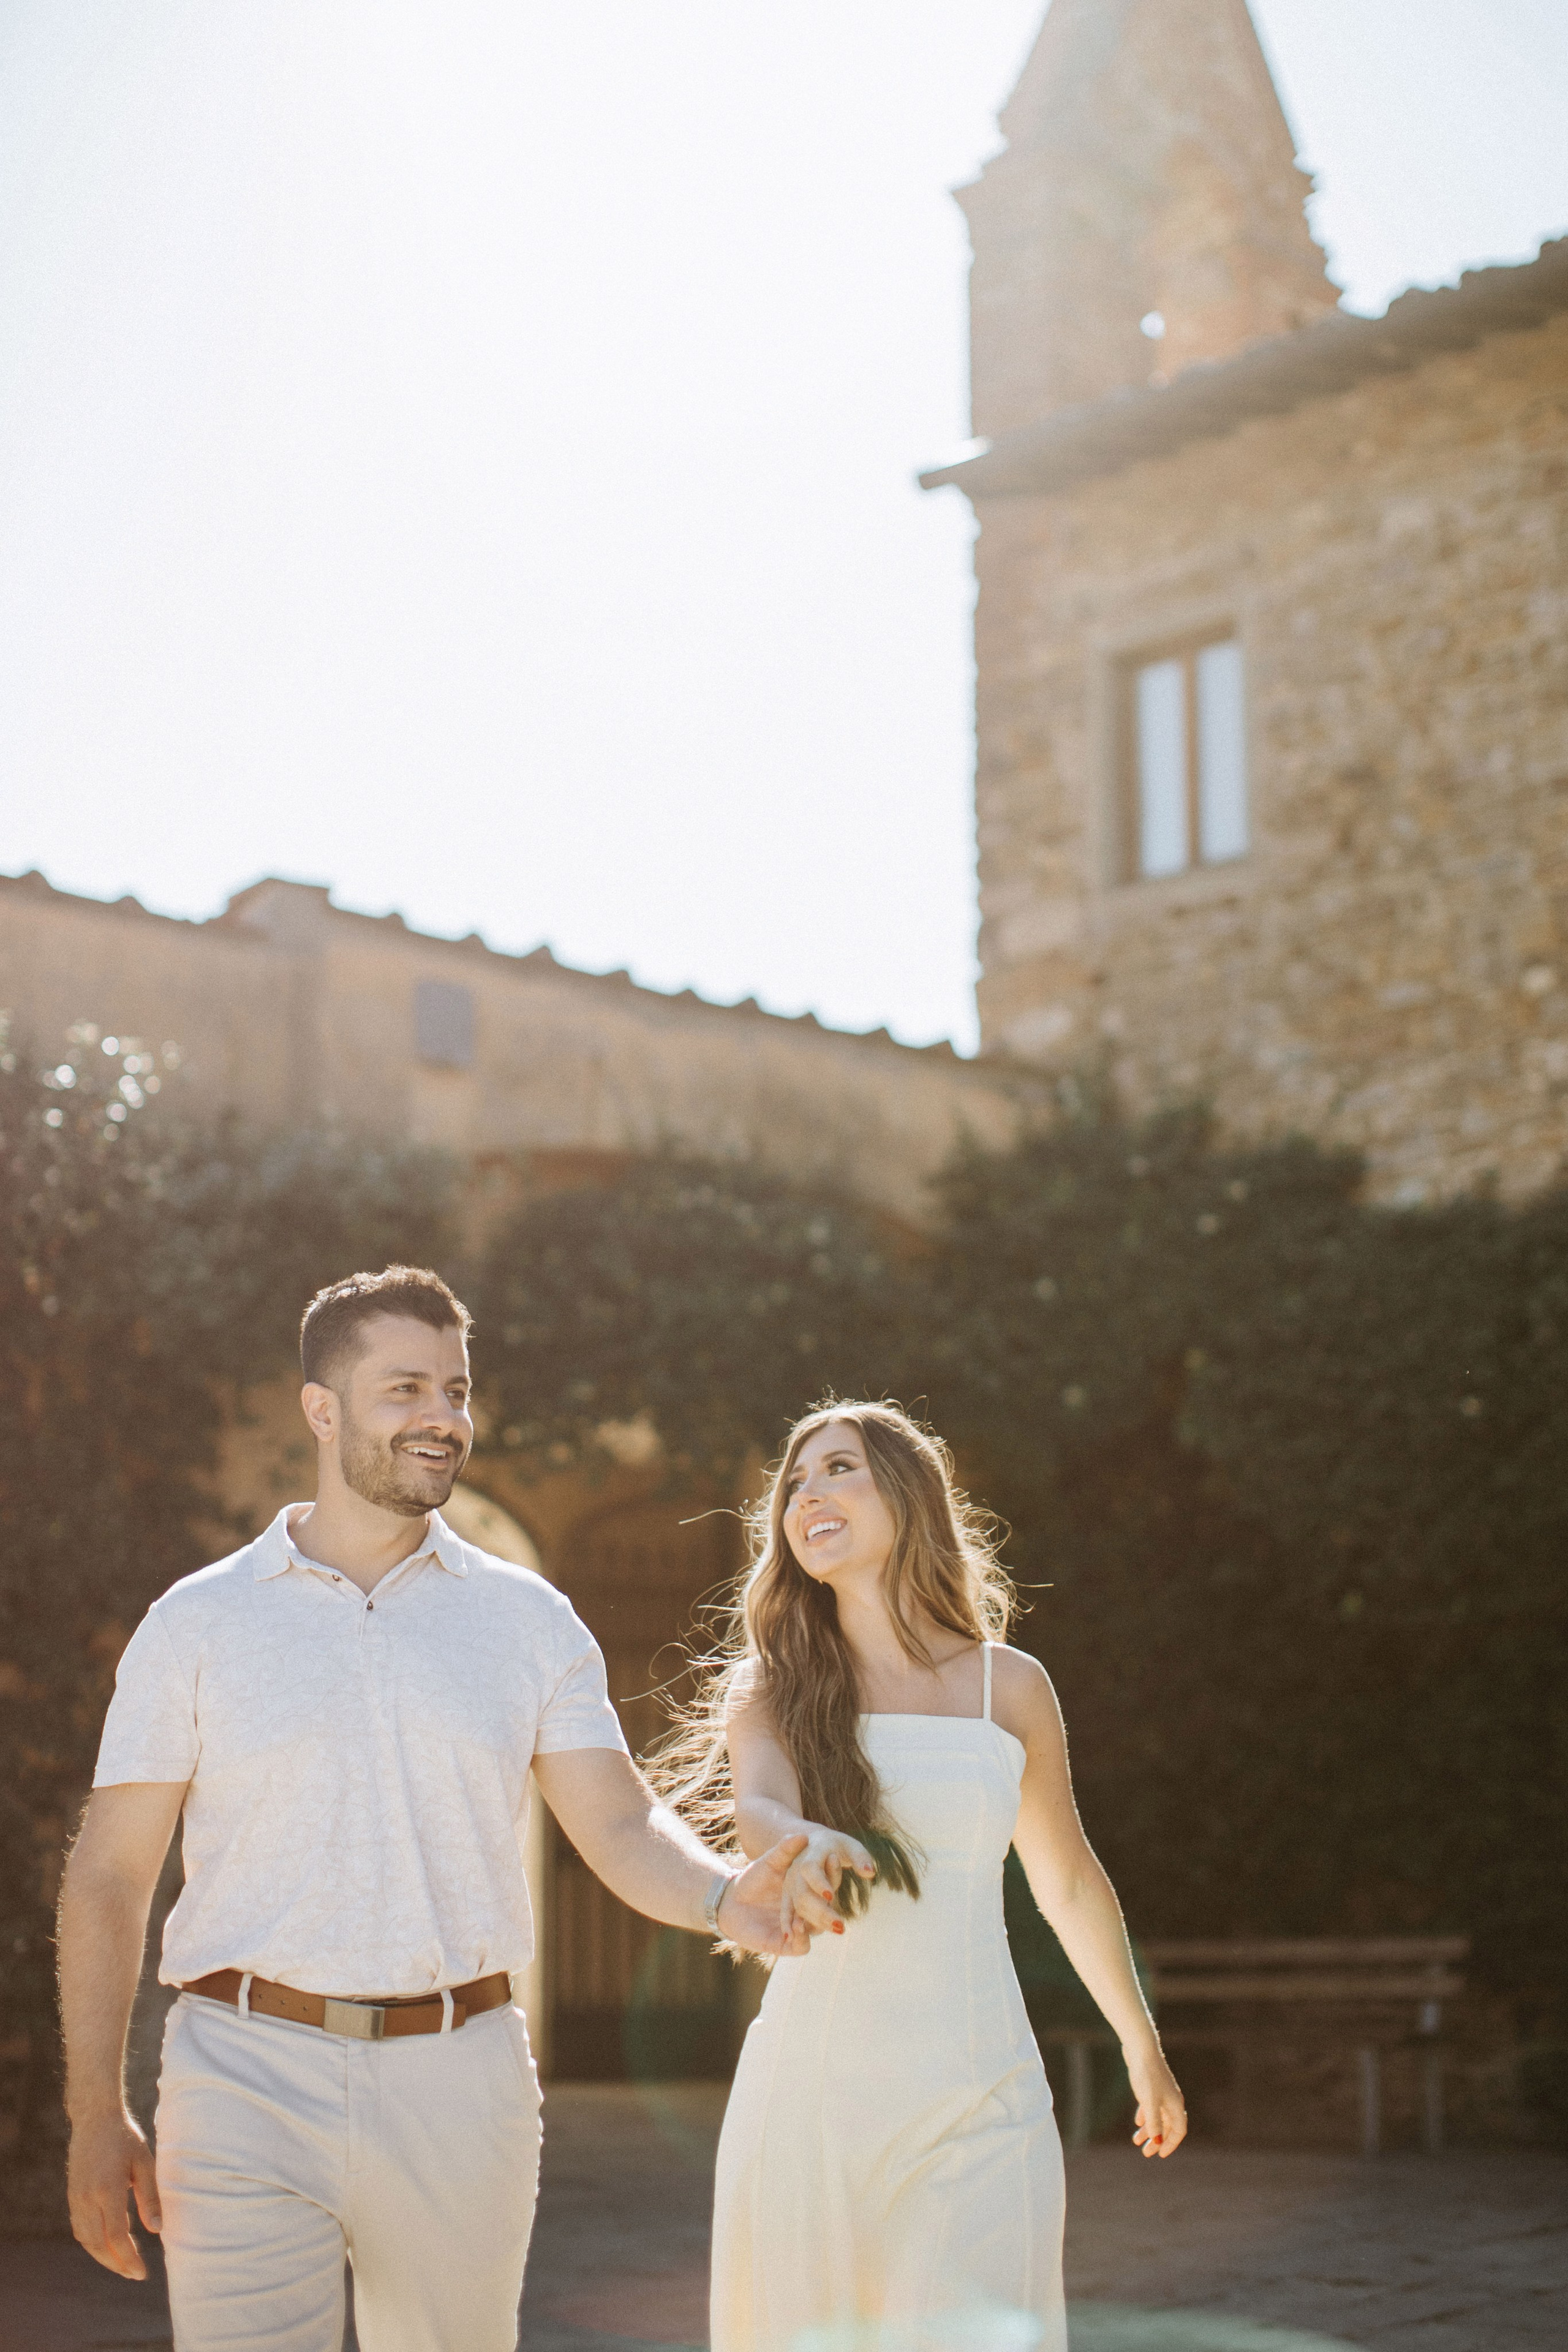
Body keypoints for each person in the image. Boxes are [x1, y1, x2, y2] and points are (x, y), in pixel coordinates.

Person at [57, 1265, 816, 2352]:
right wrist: (97, 2112)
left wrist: (720, 1896)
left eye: (457, 1392)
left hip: (463, 2079)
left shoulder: (529, 1621)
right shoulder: (197, 1623)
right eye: (405, 1388)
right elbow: (111, 1873)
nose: (444, 1418)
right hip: (241, 2074)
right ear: (322, 1409)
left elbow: (613, 1820)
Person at [652, 1398, 1187, 2352]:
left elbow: (1065, 1880)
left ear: (908, 1496)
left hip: (981, 2090)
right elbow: (759, 1808)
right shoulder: (771, 1682)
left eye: (838, 1469)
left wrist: (1139, 2044)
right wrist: (803, 1842)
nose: (806, 1493)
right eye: (794, 1483)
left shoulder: (1009, 1685)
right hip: (814, 2099)